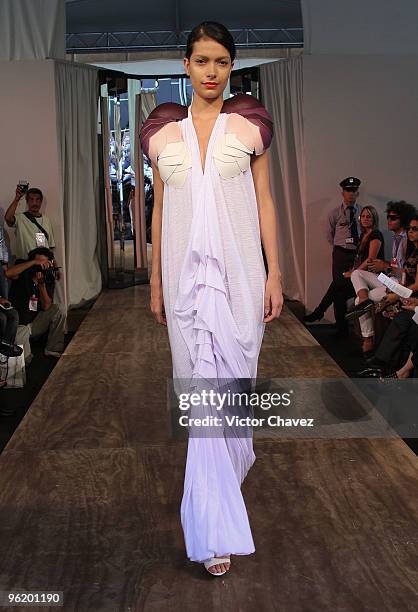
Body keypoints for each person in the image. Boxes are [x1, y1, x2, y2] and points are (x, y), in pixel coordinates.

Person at [140, 21, 282, 577]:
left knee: (234, 389)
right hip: (184, 280)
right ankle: (212, 531)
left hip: (241, 275)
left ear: (231, 67)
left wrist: (276, 273)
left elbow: (265, 203)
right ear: (186, 64)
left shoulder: (249, 129)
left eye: (221, 62)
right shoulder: (160, 136)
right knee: (202, 397)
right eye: (202, 61)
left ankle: (222, 489)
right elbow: (157, 212)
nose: (211, 72)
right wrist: (154, 280)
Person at [346, 201, 417, 354]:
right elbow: (396, 266)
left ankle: (368, 340)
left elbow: (406, 273)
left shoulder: (407, 241)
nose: (389, 221)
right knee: (357, 274)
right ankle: (365, 303)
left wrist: (385, 267)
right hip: (390, 278)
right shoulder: (397, 238)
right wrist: (385, 267)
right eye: (388, 217)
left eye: (393, 218)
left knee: (357, 300)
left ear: (402, 220)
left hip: (399, 283)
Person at [304, 206, 383, 335]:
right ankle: (342, 330)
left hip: (370, 278)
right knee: (338, 293)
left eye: (368, 216)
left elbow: (370, 259)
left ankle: (319, 312)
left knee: (336, 284)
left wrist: (353, 273)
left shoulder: (375, 235)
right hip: (359, 274)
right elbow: (359, 258)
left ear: (374, 218)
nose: (365, 219)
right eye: (363, 216)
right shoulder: (363, 234)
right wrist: (353, 271)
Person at [5, 247, 65, 361]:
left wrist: (41, 285)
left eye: (43, 263)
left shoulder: (47, 277)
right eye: (38, 263)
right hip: (20, 325)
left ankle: (53, 348)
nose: (40, 267)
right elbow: (8, 273)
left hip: (36, 323)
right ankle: (27, 359)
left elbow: (47, 306)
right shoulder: (23, 271)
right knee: (26, 361)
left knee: (59, 309)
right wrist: (33, 263)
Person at [5, 185, 56, 260]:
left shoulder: (46, 220)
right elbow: (8, 218)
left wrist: (56, 269)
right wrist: (17, 199)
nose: (34, 203)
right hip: (25, 264)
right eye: (31, 199)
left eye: (37, 200)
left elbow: (50, 249)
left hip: (43, 265)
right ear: (27, 202)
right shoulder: (20, 218)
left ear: (41, 202)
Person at [327, 177, 362, 281]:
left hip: (358, 252)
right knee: (338, 282)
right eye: (348, 190)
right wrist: (339, 244)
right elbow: (329, 234)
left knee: (358, 282)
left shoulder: (363, 212)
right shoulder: (335, 213)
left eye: (354, 190)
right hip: (341, 253)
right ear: (342, 193)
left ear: (357, 193)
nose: (351, 193)